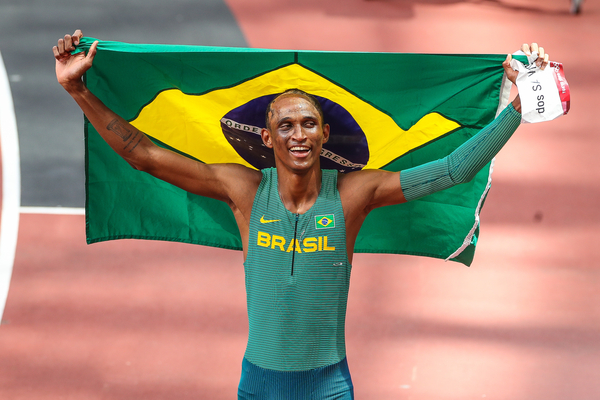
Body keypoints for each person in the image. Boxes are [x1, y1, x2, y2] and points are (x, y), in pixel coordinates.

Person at [54, 30, 549, 399]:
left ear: (324, 136)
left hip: (327, 385)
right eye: (285, 124)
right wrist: (78, 90)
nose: (298, 133)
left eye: (309, 123)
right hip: (259, 383)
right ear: (266, 138)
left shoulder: (355, 192)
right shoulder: (243, 189)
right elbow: (143, 153)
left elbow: (453, 169)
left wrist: (517, 108)